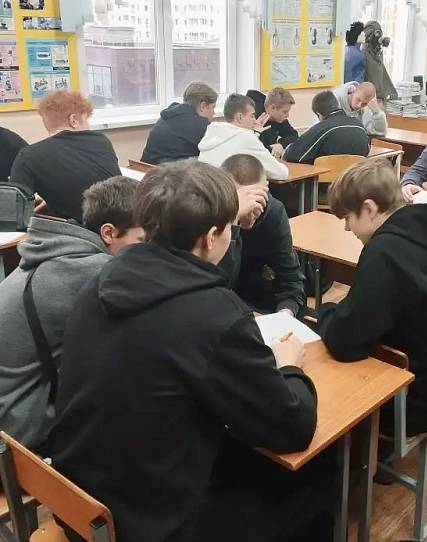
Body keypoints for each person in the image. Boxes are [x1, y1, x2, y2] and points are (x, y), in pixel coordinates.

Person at [50, 161, 333, 542]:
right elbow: (293, 428)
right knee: (317, 473)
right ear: (211, 237)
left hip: (78, 501)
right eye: (231, 227)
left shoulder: (99, 282)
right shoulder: (215, 315)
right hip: (149, 525)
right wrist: (289, 367)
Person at [317, 159, 427, 437]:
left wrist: (326, 313)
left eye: (347, 218)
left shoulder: (384, 251)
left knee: (324, 383)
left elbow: (345, 342)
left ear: (370, 209)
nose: (346, 229)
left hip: (416, 400)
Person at [0, 176, 143, 451]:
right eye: (143, 240)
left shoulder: (58, 251)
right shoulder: (93, 270)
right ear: (108, 233)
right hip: (16, 431)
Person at [10, 91, 121, 221]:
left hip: (76, 229)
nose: (88, 126)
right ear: (73, 120)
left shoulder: (28, 155)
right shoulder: (101, 141)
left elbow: (14, 208)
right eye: (86, 120)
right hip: (119, 222)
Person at [221, 154, 305, 316]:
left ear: (266, 187)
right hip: (219, 304)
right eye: (243, 199)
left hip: (256, 296)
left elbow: (291, 279)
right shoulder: (212, 212)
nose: (251, 207)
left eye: (258, 197)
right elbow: (215, 283)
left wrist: (286, 313)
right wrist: (233, 222)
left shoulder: (274, 211)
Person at [198, 93, 289, 180]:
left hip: (208, 188)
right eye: (252, 116)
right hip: (231, 190)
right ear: (240, 117)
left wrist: (255, 132)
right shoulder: (245, 138)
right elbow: (281, 173)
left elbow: (237, 144)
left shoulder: (212, 132)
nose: (255, 120)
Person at [283, 90, 369, 164]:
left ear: (319, 114)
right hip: (354, 176)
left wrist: (284, 150)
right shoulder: (359, 125)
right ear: (337, 105)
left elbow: (292, 155)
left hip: (328, 178)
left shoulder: (321, 128)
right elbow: (366, 152)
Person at [141, 82, 217, 164]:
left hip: (145, 168)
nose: (214, 113)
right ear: (203, 106)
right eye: (213, 107)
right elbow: (215, 155)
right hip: (170, 171)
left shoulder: (169, 115)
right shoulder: (199, 124)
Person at [246, 88, 299, 158]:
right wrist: (271, 149)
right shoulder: (252, 117)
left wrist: (281, 144)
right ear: (273, 107)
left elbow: (293, 135)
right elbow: (251, 147)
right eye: (285, 112)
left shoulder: (279, 119)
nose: (287, 115)